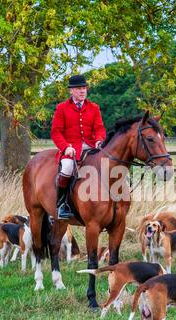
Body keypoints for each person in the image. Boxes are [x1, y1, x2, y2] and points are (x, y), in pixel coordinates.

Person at [51, 75, 106, 219]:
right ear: (71, 91)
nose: (82, 91)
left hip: (90, 145)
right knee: (68, 168)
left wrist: (99, 140)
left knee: (108, 163)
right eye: (78, 88)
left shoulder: (94, 107)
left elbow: (99, 128)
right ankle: (62, 204)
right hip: (71, 148)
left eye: (84, 88)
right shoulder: (62, 108)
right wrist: (65, 147)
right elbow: (56, 132)